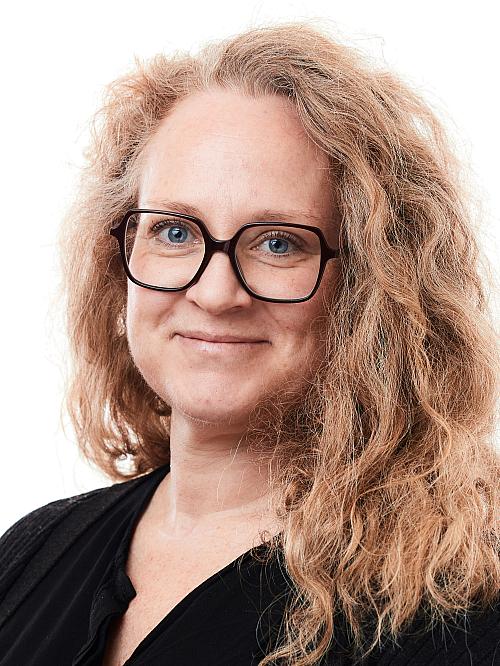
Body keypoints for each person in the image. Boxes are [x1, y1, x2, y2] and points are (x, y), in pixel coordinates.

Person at [0, 20, 498, 666]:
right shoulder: (33, 553)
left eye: (279, 243)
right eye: (175, 232)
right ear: (118, 252)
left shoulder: (458, 608)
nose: (215, 294)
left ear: (373, 286)